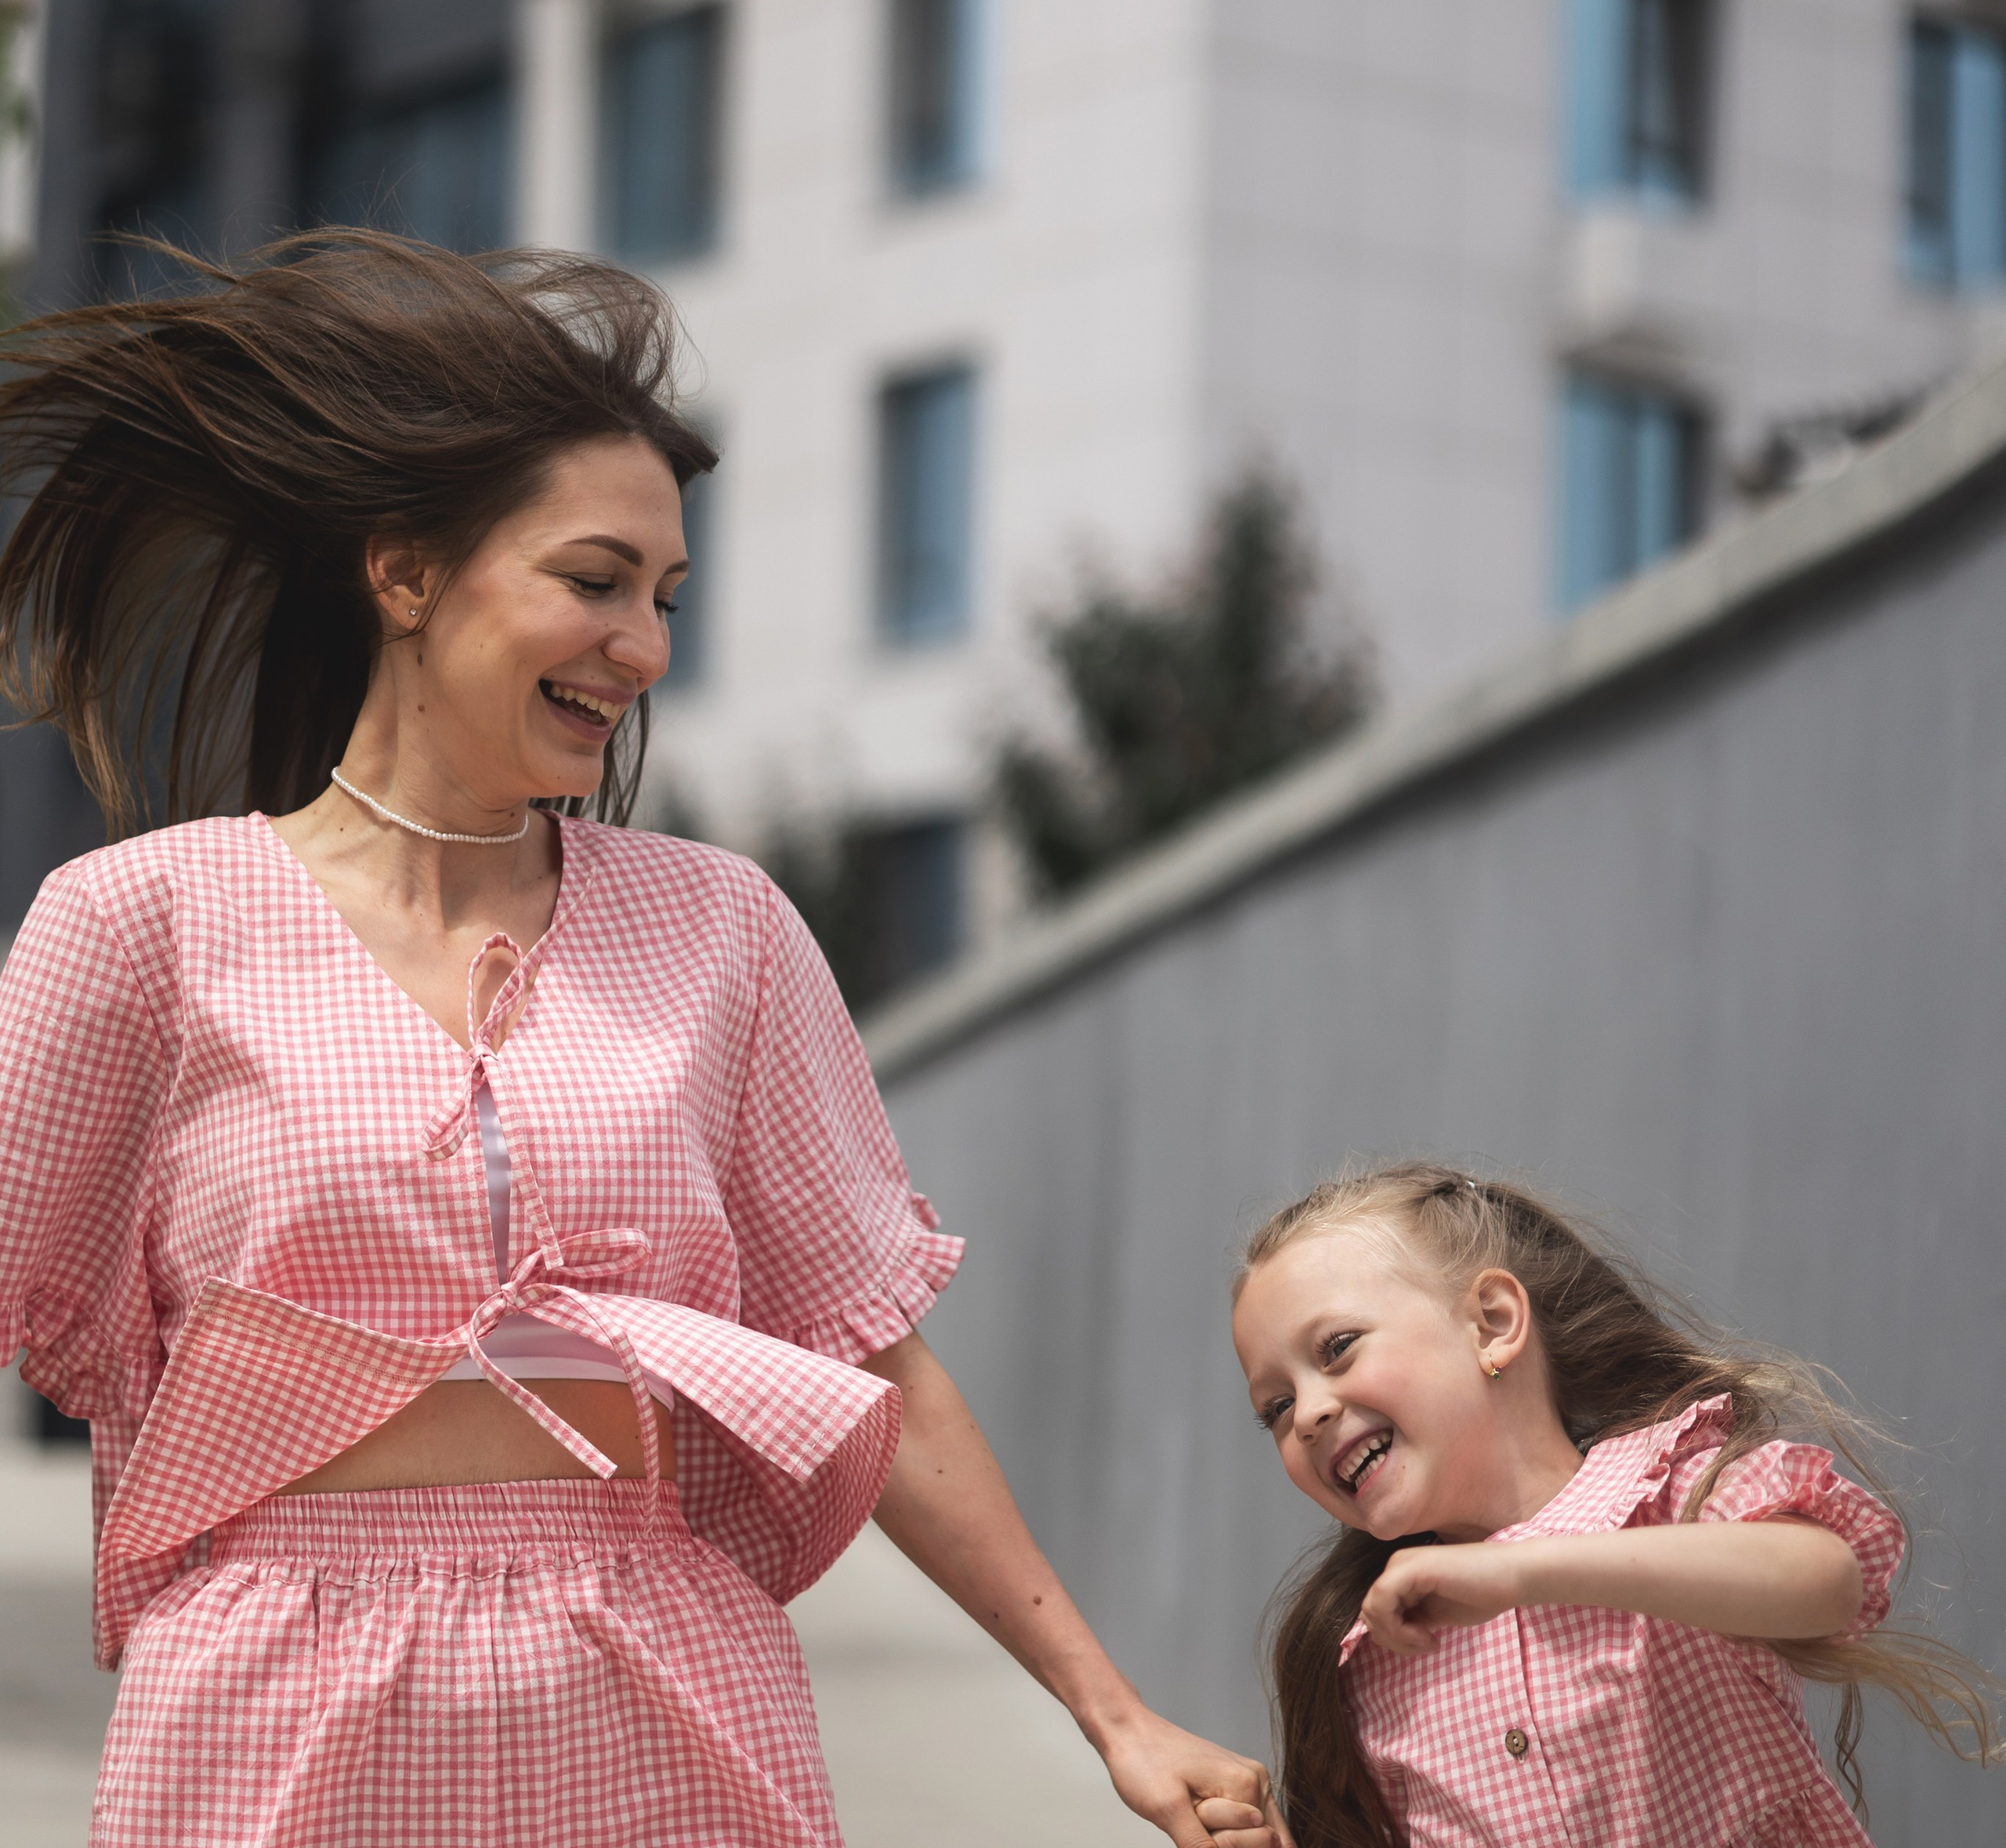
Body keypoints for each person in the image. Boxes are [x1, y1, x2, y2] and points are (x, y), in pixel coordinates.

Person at [0, 232, 1286, 1848]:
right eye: (594, 579)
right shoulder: (141, 924)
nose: (645, 645)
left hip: (657, 1682)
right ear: (403, 572)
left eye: (666, 597)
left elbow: (866, 1352)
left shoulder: (722, 928)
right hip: (272, 1701)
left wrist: (1112, 1710)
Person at [1229, 1162, 2000, 1848]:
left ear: (1492, 1323)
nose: (1307, 1413)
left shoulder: (1672, 1485)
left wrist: (1522, 1572)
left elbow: (1829, 1581)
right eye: (1274, 1407)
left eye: (1336, 1348)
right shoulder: (1370, 1650)